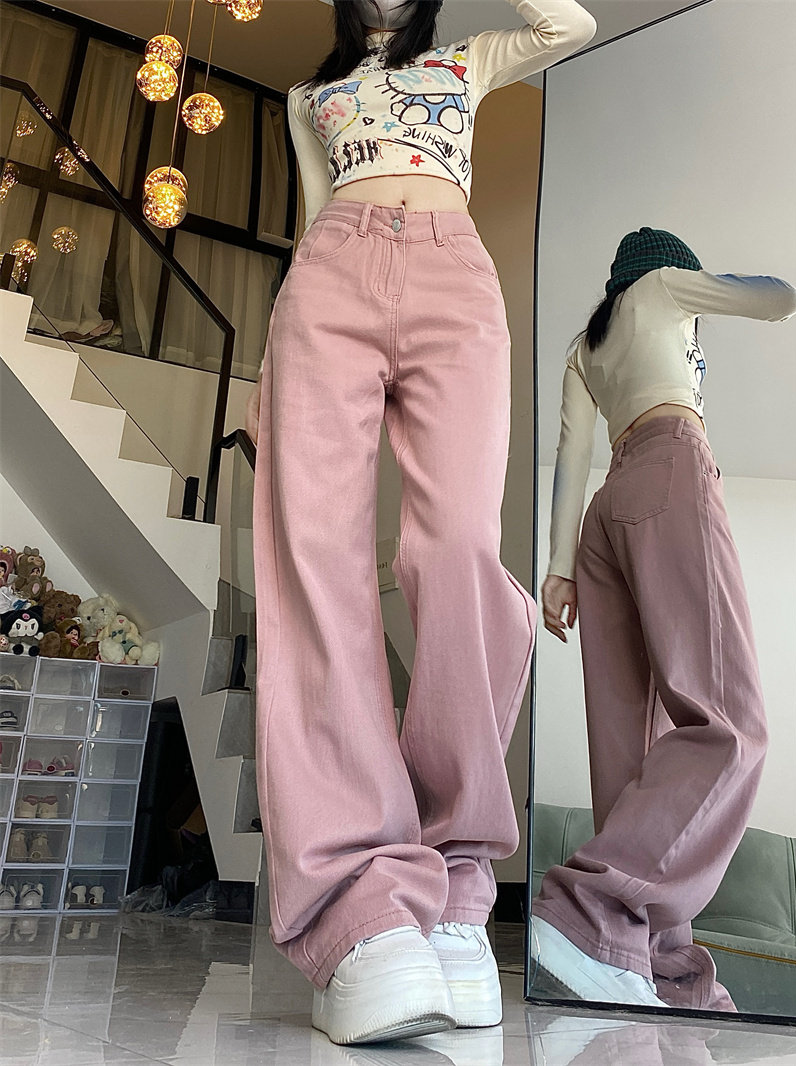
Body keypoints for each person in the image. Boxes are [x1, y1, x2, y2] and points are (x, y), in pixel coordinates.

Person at [246, 0, 596, 1046]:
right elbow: (313, 215)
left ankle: (451, 881)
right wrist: (278, 353)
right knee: (316, 558)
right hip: (329, 277)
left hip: (452, 272)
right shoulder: (309, 97)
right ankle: (357, 908)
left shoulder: (466, 60)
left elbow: (568, 23)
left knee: (456, 554)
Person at [533, 227, 796, 1011]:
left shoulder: (587, 347)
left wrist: (558, 569)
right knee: (730, 723)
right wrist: (710, 286)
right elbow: (779, 298)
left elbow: (572, 455)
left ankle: (647, 965)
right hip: (672, 469)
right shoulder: (663, 289)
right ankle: (593, 915)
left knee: (629, 761)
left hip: (604, 514)